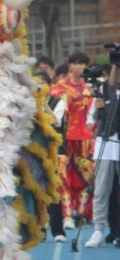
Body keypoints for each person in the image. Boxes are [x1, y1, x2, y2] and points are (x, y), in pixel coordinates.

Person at [51, 53, 94, 228]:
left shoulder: (90, 90)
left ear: (85, 66)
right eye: (74, 63)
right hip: (63, 139)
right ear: (69, 66)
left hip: (85, 139)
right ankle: (67, 215)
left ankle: (81, 215)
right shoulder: (57, 89)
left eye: (81, 64)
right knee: (63, 177)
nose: (77, 67)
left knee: (86, 178)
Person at [86, 64, 119, 248]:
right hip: (106, 145)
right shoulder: (102, 90)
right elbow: (91, 119)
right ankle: (98, 229)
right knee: (101, 189)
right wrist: (99, 108)